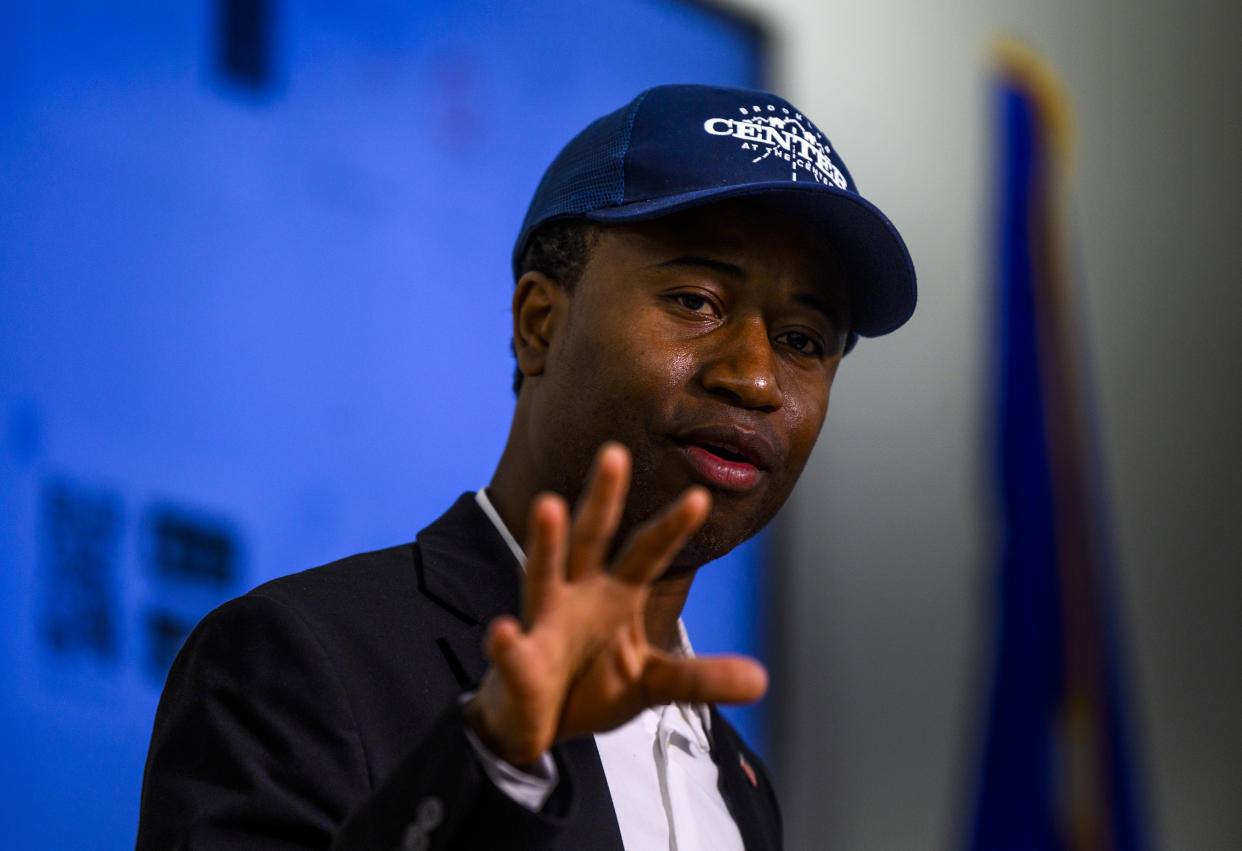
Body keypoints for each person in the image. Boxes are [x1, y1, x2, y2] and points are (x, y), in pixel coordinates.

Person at [135, 84, 916, 850]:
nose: (754, 376)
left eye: (804, 340)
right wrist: (489, 759)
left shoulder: (745, 788)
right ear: (539, 321)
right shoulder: (300, 658)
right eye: (696, 299)